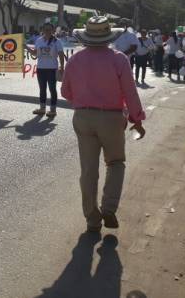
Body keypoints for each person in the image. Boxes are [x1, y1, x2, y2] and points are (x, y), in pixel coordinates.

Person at [61, 16, 146, 233]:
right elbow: (130, 92)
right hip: (111, 118)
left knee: (88, 171)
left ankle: (92, 219)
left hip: (82, 117)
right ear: (109, 37)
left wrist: (83, 102)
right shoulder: (119, 59)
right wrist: (137, 119)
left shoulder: (75, 60)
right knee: (116, 163)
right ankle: (108, 208)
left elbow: (65, 92)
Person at [26, 22, 65, 117]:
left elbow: (60, 54)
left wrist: (62, 67)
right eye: (45, 29)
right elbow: (35, 53)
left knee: (52, 89)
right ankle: (42, 109)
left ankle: (53, 110)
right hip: (40, 68)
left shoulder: (57, 41)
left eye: (49, 29)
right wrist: (26, 47)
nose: (47, 31)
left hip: (52, 69)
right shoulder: (39, 40)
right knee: (42, 89)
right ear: (42, 30)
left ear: (52, 31)